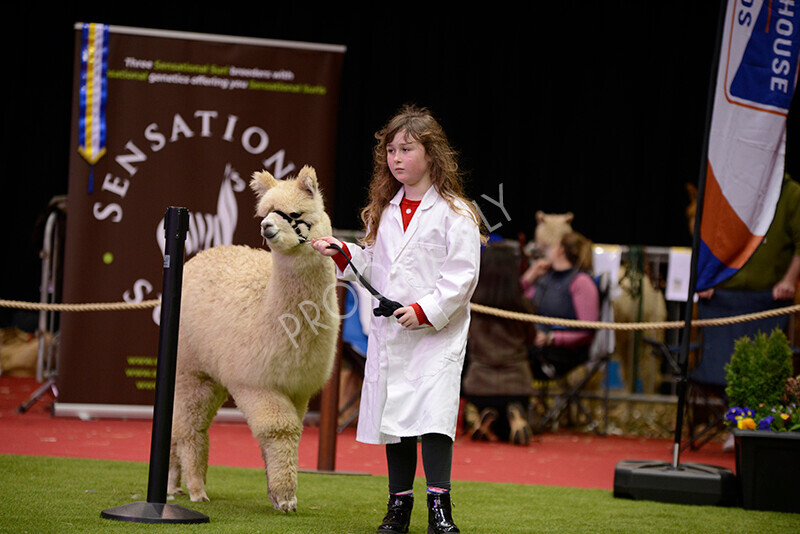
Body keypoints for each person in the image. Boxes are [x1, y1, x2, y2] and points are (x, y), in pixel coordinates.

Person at [311, 104, 483, 534]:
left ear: (432, 154)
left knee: (435, 418)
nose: (396, 158)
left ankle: (440, 510)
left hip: (436, 335)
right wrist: (346, 253)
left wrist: (424, 311)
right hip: (393, 333)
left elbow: (462, 276)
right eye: (391, 150)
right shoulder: (385, 209)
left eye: (406, 149)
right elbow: (378, 266)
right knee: (398, 421)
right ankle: (398, 508)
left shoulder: (456, 212)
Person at [462, 241, 537, 445]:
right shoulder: (523, 305)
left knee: (491, 417)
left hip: (480, 386)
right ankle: (514, 416)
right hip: (517, 385)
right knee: (506, 432)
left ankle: (486, 416)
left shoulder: (473, 304)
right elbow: (532, 338)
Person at [520, 232, 599, 381]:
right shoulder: (545, 275)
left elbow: (588, 330)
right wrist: (531, 274)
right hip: (536, 345)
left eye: (554, 245)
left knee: (511, 356)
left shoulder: (581, 281)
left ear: (561, 250)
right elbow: (513, 299)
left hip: (561, 353)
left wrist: (553, 338)